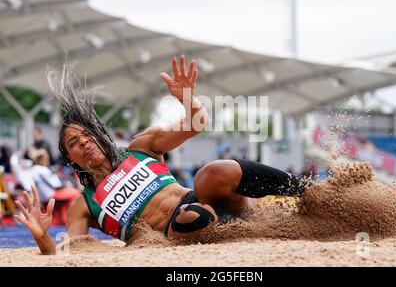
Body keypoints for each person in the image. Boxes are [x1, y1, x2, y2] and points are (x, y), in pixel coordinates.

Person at [15, 55, 312, 255]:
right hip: (174, 232)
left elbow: (196, 124)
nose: (84, 142)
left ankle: (306, 191)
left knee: (211, 173)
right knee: (190, 218)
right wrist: (43, 238)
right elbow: (72, 251)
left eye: (86, 134)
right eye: (73, 143)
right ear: (69, 158)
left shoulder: (140, 147)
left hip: (201, 202)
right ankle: (256, 232)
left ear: (99, 134)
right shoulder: (84, 204)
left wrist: (187, 99)